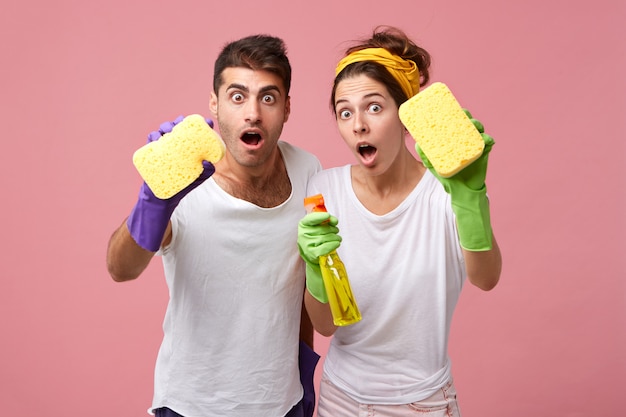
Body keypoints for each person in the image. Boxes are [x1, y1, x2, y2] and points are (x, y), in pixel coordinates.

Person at [106, 34, 322, 417]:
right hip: (192, 405)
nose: (252, 113)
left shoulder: (308, 170)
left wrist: (303, 378)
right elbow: (120, 269)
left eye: (268, 98)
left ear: (287, 108)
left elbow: (303, 278)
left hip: (281, 404)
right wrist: (154, 201)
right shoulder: (185, 184)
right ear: (214, 103)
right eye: (238, 96)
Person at [297, 26, 502, 416]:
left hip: (423, 402)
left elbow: (486, 278)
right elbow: (324, 326)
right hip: (340, 398)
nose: (358, 124)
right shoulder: (324, 190)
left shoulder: (446, 191)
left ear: (405, 114)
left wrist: (470, 198)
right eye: (345, 112)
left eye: (374, 107)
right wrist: (314, 269)